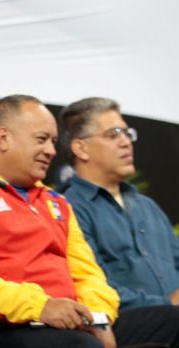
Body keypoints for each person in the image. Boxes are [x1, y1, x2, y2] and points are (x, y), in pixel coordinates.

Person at [0, 94, 179, 348]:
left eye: (53, 142)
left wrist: (98, 319)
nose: (52, 151)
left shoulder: (57, 202)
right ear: (3, 138)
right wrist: (42, 307)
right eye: (41, 139)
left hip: (75, 326)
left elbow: (88, 276)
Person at [61, 97, 179, 310]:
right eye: (113, 134)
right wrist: (168, 305)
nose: (126, 142)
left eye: (127, 133)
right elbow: (96, 289)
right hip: (127, 327)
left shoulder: (148, 206)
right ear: (81, 148)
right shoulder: (70, 208)